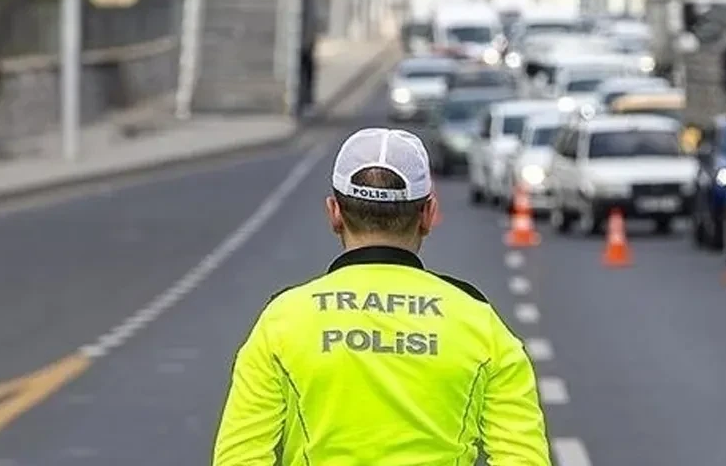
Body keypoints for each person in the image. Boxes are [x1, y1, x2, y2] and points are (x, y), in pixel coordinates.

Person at [212, 128, 551, 465]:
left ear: (334, 213)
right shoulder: (480, 324)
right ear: (428, 215)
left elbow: (239, 458)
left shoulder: (282, 321)